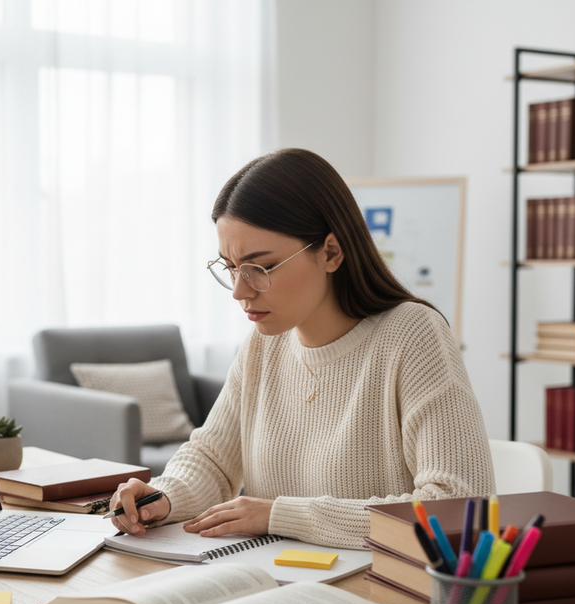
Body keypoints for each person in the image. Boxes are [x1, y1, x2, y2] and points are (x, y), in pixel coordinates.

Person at [109, 148, 494, 549]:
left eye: (261, 267)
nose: (240, 291)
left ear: (331, 251)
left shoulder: (413, 335)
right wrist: (162, 497)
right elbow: (212, 460)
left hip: (373, 588)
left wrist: (280, 514)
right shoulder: (264, 345)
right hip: (270, 578)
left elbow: (460, 507)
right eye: (230, 268)